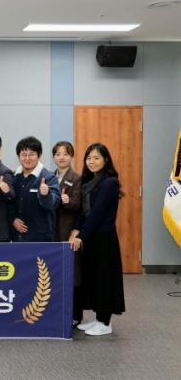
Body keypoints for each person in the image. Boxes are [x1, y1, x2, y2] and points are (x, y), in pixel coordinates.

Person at [69, 143, 125, 336]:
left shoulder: (109, 182)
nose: (91, 162)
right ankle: (98, 318)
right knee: (93, 279)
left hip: (104, 238)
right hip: (91, 237)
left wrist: (81, 237)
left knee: (104, 280)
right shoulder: (89, 181)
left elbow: (97, 214)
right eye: (89, 158)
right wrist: (76, 230)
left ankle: (105, 322)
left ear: (106, 160)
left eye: (96, 158)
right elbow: (83, 212)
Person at [52, 141, 83, 325]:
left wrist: (67, 201)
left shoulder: (77, 177)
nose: (61, 157)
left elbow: (79, 206)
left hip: (69, 232)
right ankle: (57, 312)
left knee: (73, 273)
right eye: (58, 154)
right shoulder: (49, 176)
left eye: (65, 154)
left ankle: (75, 315)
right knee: (55, 273)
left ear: (71, 156)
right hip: (52, 233)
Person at [11, 136, 60, 242]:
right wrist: (13, 219)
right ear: (18, 156)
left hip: (41, 239)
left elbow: (54, 203)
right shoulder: (14, 176)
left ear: (39, 155)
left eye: (32, 154)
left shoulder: (48, 177)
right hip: (17, 238)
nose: (27, 158)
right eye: (24, 155)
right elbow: (9, 203)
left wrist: (46, 194)